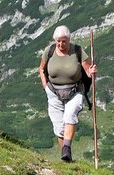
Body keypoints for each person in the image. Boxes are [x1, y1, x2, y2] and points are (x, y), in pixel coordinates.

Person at [39, 25, 97, 162]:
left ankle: (66, 148)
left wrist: (92, 72)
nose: (61, 44)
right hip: (53, 92)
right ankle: (66, 159)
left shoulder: (78, 51)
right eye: (58, 41)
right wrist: (45, 86)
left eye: (64, 41)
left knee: (70, 115)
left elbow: (88, 71)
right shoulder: (49, 51)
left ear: (69, 40)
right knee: (59, 126)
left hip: (75, 91)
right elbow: (41, 69)